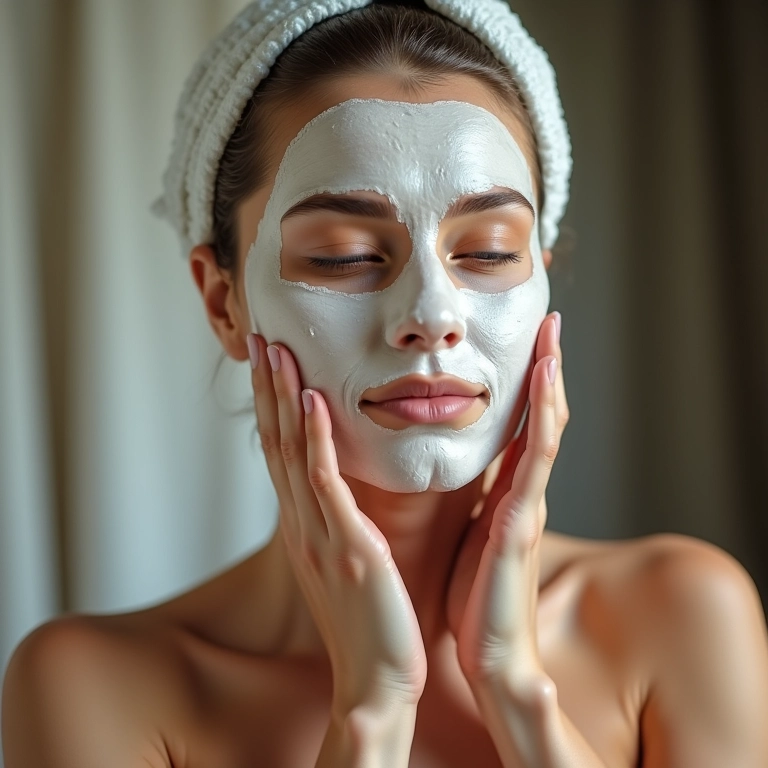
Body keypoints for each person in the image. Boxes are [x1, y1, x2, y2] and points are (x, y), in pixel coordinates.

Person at [3, 1, 768, 766]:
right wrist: (371, 711)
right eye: (342, 254)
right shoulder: (93, 684)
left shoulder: (686, 613)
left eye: (490, 252)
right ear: (223, 303)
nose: (432, 314)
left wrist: (516, 689)